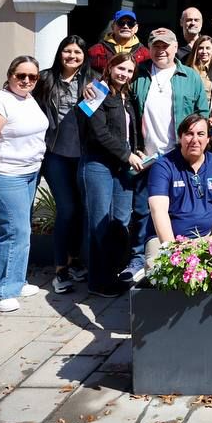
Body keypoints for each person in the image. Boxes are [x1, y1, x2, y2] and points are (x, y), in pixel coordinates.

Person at [123, 28, 209, 283]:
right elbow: (115, 91)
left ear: (175, 48)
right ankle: (139, 258)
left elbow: (201, 112)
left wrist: (196, 149)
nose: (161, 50)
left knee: (176, 207)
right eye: (156, 46)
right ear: (149, 49)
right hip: (145, 155)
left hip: (178, 155)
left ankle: (176, 254)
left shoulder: (189, 76)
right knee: (142, 208)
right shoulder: (138, 74)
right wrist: (91, 91)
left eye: (166, 46)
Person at [0, 56, 49, 312]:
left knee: (23, 230)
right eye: (21, 76)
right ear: (10, 75)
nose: (27, 81)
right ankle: (0, 291)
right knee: (13, 231)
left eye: (32, 77)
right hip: (6, 176)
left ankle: (16, 282)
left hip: (28, 174)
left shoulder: (28, 99)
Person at [80, 52, 146, 297]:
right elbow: (98, 132)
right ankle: (98, 281)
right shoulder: (95, 91)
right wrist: (127, 155)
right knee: (100, 223)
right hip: (99, 164)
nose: (125, 74)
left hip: (123, 167)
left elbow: (132, 127)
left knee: (120, 221)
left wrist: (136, 149)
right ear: (110, 67)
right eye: (121, 69)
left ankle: (114, 273)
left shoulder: (127, 95)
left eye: (129, 71)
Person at [33, 36, 92, 293]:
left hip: (83, 153)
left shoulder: (92, 81)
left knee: (80, 209)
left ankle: (75, 260)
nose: (72, 56)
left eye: (77, 52)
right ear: (60, 54)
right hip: (55, 153)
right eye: (67, 51)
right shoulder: (45, 79)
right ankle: (60, 270)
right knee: (67, 209)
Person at [146, 114, 212, 255]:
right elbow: (158, 210)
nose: (195, 140)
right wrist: (172, 248)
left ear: (208, 138)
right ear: (180, 137)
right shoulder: (163, 166)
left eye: (201, 134)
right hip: (167, 238)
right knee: (159, 271)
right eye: (189, 134)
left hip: (210, 235)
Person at [185, 34, 212, 148]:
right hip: (190, 120)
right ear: (196, 50)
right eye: (201, 48)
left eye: (208, 48)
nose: (204, 51)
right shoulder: (187, 72)